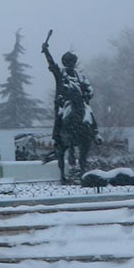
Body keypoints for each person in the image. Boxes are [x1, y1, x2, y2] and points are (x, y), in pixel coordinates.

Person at [42, 30, 98, 182]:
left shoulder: (81, 77)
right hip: (65, 102)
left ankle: (95, 133)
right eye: (68, 62)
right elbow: (52, 64)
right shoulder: (61, 74)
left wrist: (87, 95)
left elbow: (90, 89)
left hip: (81, 103)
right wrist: (46, 51)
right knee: (61, 115)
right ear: (65, 63)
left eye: (72, 61)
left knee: (89, 111)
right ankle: (58, 137)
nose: (70, 64)